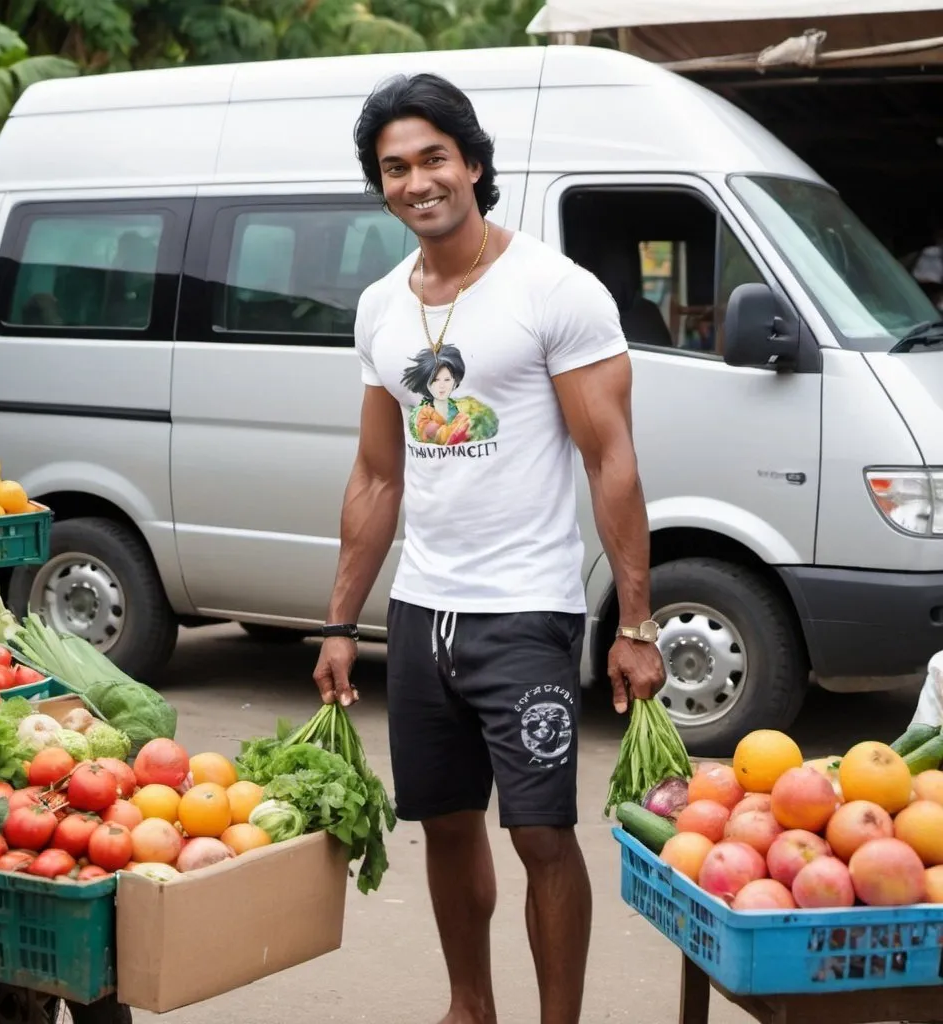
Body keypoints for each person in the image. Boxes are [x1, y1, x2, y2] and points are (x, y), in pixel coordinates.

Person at [313, 71, 666, 1024]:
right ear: (379, 184)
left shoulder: (554, 289)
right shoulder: (383, 307)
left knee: (544, 836)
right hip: (422, 613)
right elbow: (378, 476)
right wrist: (342, 618)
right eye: (394, 167)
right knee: (446, 825)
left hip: (526, 612)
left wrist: (636, 619)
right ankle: (471, 1007)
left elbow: (612, 463)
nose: (417, 181)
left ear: (472, 163)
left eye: (434, 158)